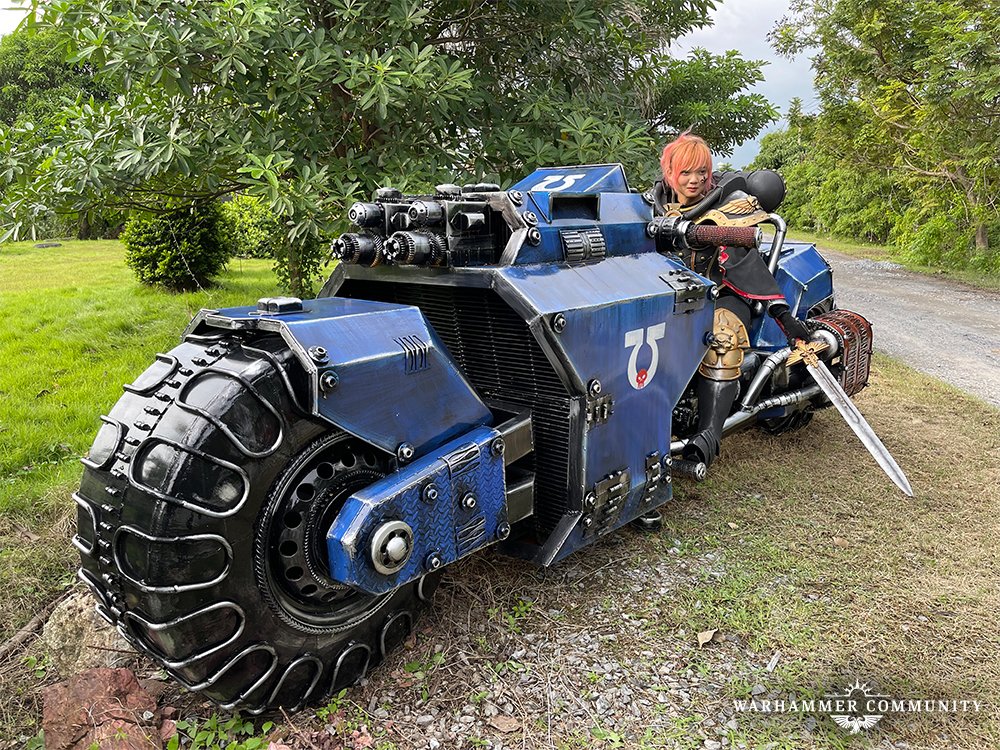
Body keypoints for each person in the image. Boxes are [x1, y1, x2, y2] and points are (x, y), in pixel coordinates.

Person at [655, 132, 811, 470]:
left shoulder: (727, 209)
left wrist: (785, 318)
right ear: (669, 172)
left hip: (723, 295)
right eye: (685, 172)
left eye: (701, 171)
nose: (694, 179)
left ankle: (707, 437)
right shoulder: (650, 208)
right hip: (670, 297)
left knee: (722, 338)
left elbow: (746, 265)